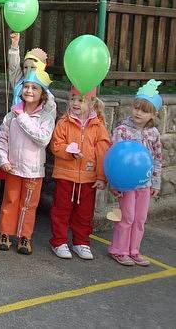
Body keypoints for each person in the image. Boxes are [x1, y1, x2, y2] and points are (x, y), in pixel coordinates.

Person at [0, 62, 55, 255]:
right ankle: (5, 233)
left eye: (34, 88)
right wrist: (3, 159)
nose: (29, 90)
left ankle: (24, 236)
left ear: (42, 94)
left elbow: (42, 139)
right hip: (13, 167)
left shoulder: (45, 117)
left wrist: (22, 118)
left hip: (33, 171)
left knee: (29, 205)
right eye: (26, 86)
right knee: (10, 201)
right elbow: (1, 137)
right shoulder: (12, 114)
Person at [0, 34, 50, 211]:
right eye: (26, 66)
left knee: (25, 164)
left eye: (33, 67)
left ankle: (26, 203)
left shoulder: (41, 88)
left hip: (30, 127)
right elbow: (13, 66)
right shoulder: (19, 82)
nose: (28, 69)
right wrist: (14, 46)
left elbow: (48, 108)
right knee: (7, 160)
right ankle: (2, 195)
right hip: (14, 124)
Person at [49, 87, 110, 260]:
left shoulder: (99, 127)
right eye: (72, 99)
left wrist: (101, 176)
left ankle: (81, 242)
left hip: (88, 178)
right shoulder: (64, 122)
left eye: (80, 100)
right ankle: (59, 241)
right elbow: (55, 145)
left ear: (92, 103)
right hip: (65, 176)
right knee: (61, 211)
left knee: (84, 213)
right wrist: (69, 151)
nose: (75, 103)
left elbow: (103, 152)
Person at [108, 80, 164, 267]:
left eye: (144, 110)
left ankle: (134, 250)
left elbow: (157, 158)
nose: (138, 112)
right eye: (136, 107)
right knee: (127, 217)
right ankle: (119, 250)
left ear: (153, 114)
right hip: (127, 184)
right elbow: (114, 159)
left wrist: (155, 182)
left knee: (140, 219)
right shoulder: (122, 131)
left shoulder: (154, 133)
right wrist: (114, 184)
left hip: (145, 184)